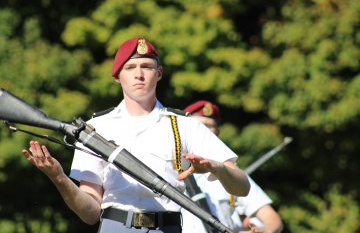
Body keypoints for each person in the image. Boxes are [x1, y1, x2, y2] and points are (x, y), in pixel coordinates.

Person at [21, 37, 250, 233]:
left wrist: (217, 168)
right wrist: (58, 177)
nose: (139, 74)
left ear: (159, 73)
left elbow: (242, 187)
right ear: (117, 77)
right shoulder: (95, 129)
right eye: (130, 68)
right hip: (115, 226)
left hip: (168, 227)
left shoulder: (184, 125)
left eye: (147, 66)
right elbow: (90, 212)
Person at [181, 100, 283, 233]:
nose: (203, 132)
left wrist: (264, 231)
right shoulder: (167, 166)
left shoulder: (231, 174)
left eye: (208, 127)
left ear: (217, 133)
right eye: (198, 126)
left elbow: (272, 218)